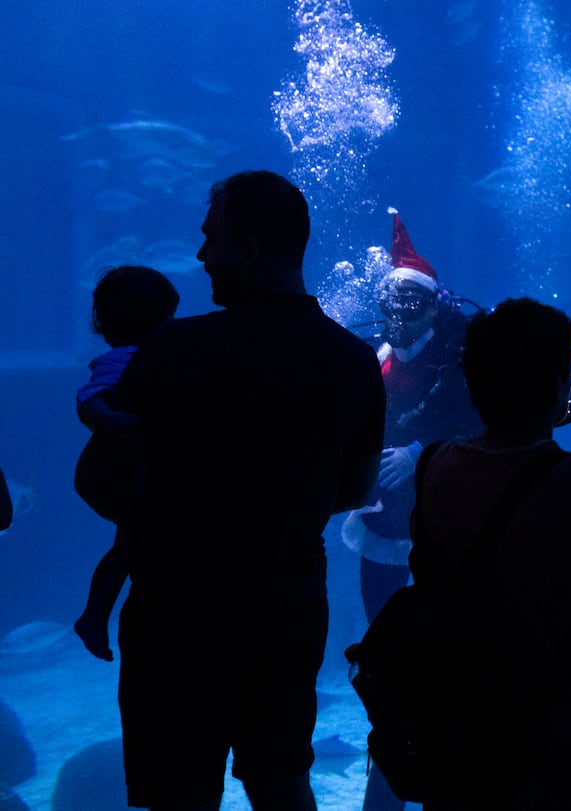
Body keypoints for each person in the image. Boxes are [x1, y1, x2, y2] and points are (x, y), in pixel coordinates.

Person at [75, 170, 386, 811]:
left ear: (248, 247)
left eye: (211, 238)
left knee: (177, 793)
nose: (199, 255)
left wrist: (183, 511)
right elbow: (354, 489)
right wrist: (273, 504)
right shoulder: (352, 360)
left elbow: (98, 480)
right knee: (281, 782)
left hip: (177, 611)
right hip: (288, 603)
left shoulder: (173, 349)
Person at [409, 297, 571, 810]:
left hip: (466, 721)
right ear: (563, 386)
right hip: (568, 732)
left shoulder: (436, 466)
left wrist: (525, 418)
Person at [343, 211, 482, 811]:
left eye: (409, 301)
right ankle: (393, 762)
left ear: (431, 305)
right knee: (385, 645)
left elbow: (479, 419)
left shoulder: (460, 354)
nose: (397, 312)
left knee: (447, 640)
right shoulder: (375, 360)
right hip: (382, 518)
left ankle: (444, 755)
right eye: (390, 300)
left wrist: (421, 450)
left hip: (442, 519)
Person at [73, 264, 181, 662]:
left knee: (128, 544)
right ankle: (93, 615)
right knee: (136, 539)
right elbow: (89, 401)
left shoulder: (128, 355)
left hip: (118, 473)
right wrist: (116, 422)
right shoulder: (128, 358)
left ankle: (93, 616)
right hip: (116, 473)